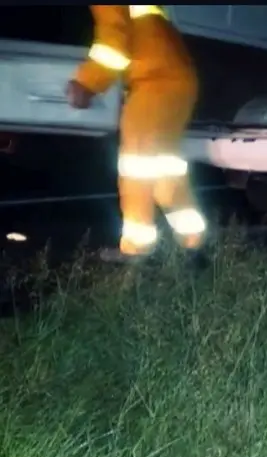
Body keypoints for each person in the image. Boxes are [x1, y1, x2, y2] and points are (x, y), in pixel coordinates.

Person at [66, 5, 207, 263]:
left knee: (136, 168)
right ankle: (193, 243)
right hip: (178, 81)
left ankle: (137, 249)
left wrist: (88, 82)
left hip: (154, 83)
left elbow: (113, 44)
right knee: (165, 170)